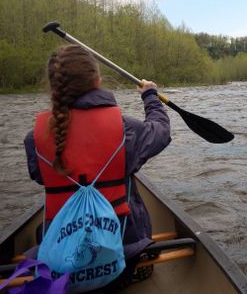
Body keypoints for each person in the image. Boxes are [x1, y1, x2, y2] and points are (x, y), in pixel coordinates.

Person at [23, 44, 171, 288]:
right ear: (98, 80)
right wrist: (150, 96)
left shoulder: (34, 139)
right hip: (123, 257)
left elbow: (40, 176)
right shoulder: (126, 130)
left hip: (63, 264)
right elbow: (161, 132)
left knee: (43, 228)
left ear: (54, 87)